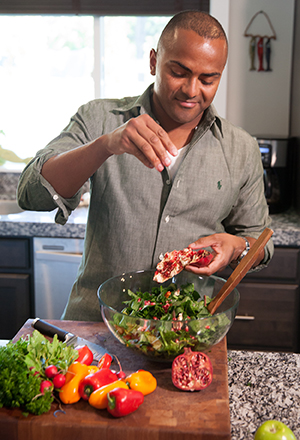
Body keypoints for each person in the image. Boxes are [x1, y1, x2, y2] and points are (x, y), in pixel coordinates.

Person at [17, 10, 274, 321]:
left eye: (208, 79)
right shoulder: (100, 118)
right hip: (96, 326)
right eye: (179, 72)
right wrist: (105, 146)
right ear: (154, 61)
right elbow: (32, 193)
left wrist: (236, 246)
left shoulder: (241, 148)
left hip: (184, 333)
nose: (192, 90)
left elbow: (260, 241)